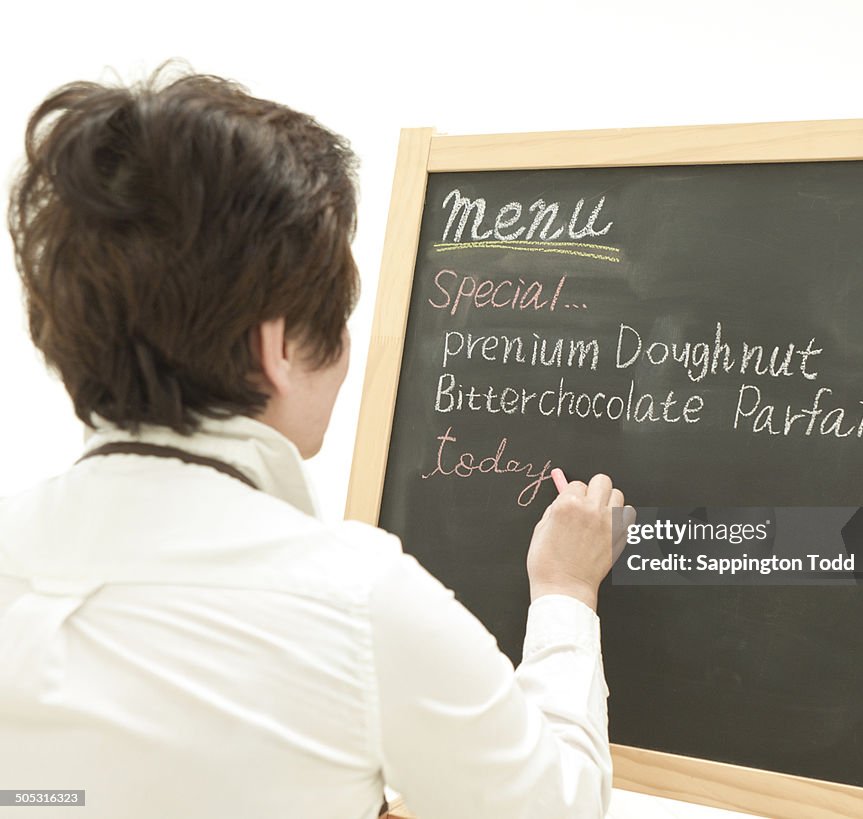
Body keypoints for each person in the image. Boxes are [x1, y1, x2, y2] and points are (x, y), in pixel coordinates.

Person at [0, 66, 633, 819]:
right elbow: (551, 808)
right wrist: (565, 591)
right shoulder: (355, 601)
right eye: (338, 315)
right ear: (279, 349)